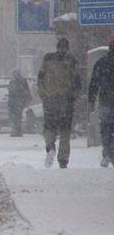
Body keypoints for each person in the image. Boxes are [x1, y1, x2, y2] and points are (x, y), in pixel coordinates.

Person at [37, 37, 82, 169]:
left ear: (57, 47)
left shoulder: (47, 59)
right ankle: (63, 159)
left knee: (49, 127)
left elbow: (40, 78)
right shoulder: (71, 61)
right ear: (67, 48)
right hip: (66, 101)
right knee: (65, 131)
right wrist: (75, 98)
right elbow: (77, 82)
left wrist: (43, 95)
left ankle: (50, 146)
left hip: (50, 100)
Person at [88, 36, 114, 168]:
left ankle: (107, 153)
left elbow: (94, 83)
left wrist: (91, 100)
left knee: (106, 129)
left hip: (106, 101)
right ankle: (110, 153)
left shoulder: (102, 62)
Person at [7, 69, 31, 137]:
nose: (14, 75)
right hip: (14, 102)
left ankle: (17, 131)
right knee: (15, 117)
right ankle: (16, 131)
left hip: (18, 101)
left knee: (17, 117)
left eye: (15, 73)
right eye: (13, 73)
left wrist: (25, 99)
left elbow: (25, 91)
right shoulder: (13, 81)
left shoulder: (21, 81)